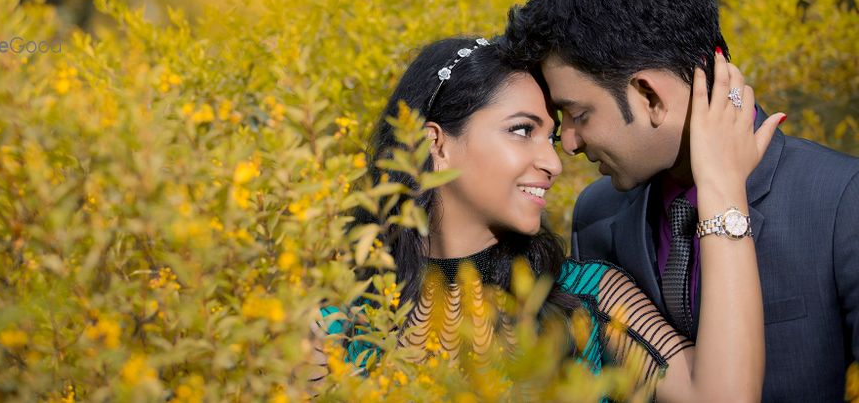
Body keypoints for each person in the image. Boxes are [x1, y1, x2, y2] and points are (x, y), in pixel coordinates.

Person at [311, 33, 782, 402]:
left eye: (551, 139)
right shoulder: (342, 324)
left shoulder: (589, 297)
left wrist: (721, 190)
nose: (554, 163)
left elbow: (724, 396)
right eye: (522, 131)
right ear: (435, 144)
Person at [502, 0, 859, 402]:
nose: (569, 143)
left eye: (579, 115)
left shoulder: (840, 202)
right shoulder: (597, 216)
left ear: (650, 96)